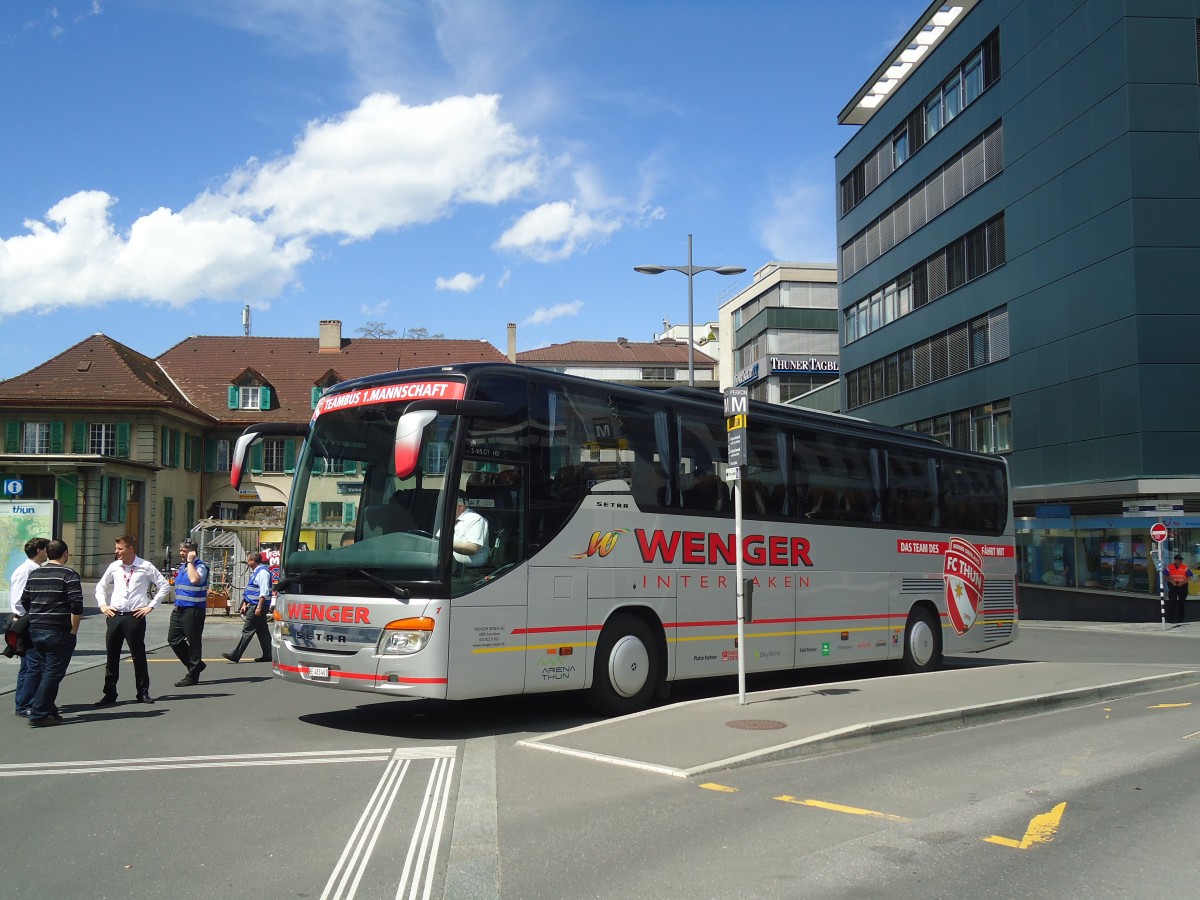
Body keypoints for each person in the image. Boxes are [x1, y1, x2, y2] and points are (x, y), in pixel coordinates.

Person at [95, 535, 169, 705]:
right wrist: (103, 605)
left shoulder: (145, 566)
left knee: (138, 655)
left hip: (135, 616)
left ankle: (143, 692)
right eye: (116, 548)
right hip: (115, 615)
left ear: (130, 548)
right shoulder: (114, 567)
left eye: (120, 549)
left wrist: (151, 606)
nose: (116, 552)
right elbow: (101, 585)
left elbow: (163, 585)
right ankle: (110, 693)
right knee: (112, 656)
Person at [19, 540, 83, 727]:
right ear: (66, 554)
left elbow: (25, 600)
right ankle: (38, 713)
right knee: (53, 673)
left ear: (47, 554)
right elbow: (76, 604)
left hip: (36, 630)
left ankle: (50, 709)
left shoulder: (35, 573)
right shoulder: (69, 574)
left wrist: (38, 614)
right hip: (58, 630)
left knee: (43, 670)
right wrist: (73, 629)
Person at [9, 537, 50, 717]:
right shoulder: (26, 571)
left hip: (29, 620)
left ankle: (24, 702)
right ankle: (26, 703)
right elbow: (18, 601)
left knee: (29, 665)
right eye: (46, 549)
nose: (48, 552)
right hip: (27, 622)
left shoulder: (34, 570)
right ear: (39, 550)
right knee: (33, 665)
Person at [167, 538, 210, 687]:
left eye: (184, 551)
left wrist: (191, 562)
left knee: (193, 643)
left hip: (194, 609)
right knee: (173, 639)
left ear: (193, 552)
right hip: (180, 608)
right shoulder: (184, 566)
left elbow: (194, 580)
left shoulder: (200, 566)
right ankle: (195, 665)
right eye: (181, 551)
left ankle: (193, 674)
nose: (181, 554)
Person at [222, 550, 273, 663]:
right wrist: (245, 603)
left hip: (257, 606)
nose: (247, 562)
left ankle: (236, 654)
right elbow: (252, 590)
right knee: (262, 630)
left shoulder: (262, 573)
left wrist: (259, 607)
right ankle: (269, 654)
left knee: (247, 630)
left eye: (248, 559)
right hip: (253, 604)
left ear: (253, 561)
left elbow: (263, 592)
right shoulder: (257, 572)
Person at [449, 494, 489, 568]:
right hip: (451, 566)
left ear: (461, 506)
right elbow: (437, 539)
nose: (446, 508)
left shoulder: (475, 519)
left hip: (471, 571)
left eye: (449, 505)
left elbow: (473, 548)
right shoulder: (449, 519)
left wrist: (446, 545)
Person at [1165, 554, 1193, 624]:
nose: (1179, 562)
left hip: (1182, 586)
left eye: (1180, 560)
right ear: (1175, 561)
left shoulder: (1184, 567)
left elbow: (1189, 577)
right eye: (1177, 560)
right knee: (1172, 602)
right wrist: (1171, 581)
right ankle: (1170, 619)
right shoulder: (1170, 567)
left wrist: (1183, 582)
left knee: (1181, 602)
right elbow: (1165, 576)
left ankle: (1180, 619)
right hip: (1173, 585)